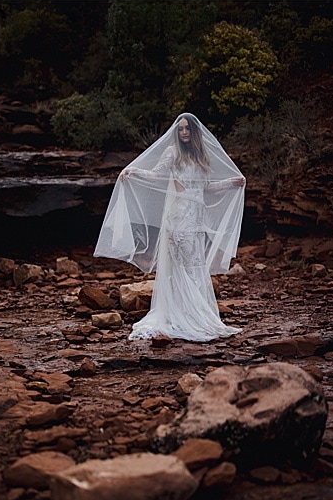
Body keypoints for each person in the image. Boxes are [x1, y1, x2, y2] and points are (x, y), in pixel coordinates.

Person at [95, 112, 246, 342]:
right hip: (178, 219)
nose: (184, 133)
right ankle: (186, 317)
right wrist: (133, 171)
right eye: (180, 129)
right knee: (185, 268)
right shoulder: (172, 153)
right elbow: (156, 175)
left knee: (195, 267)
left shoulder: (200, 156)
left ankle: (195, 315)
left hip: (196, 221)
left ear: (194, 132)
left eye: (187, 129)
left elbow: (206, 188)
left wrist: (232, 183)